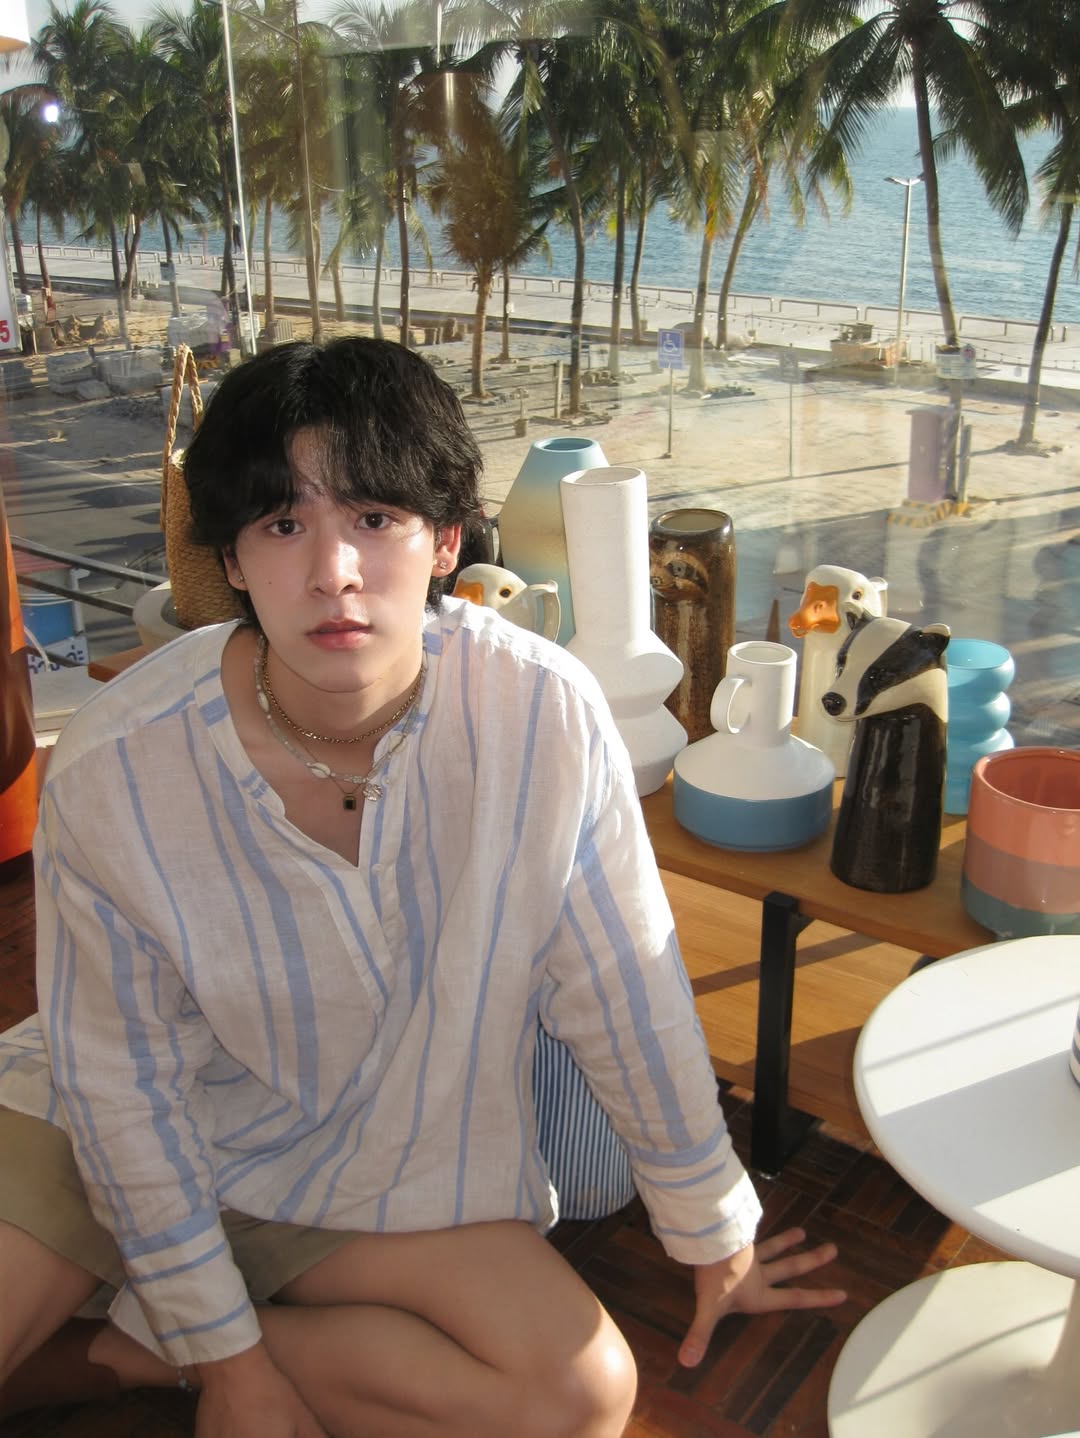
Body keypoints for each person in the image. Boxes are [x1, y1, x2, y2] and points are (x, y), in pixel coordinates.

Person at [0, 337, 844, 1437]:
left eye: (374, 517)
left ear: (446, 539)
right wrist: (234, 1369)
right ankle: (183, 1335)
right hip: (100, 1126)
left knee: (580, 1395)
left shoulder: (538, 713)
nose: (333, 572)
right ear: (233, 558)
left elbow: (622, 985)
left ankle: (126, 1351)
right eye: (283, 524)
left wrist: (713, 1227)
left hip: (373, 1154)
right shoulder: (121, 763)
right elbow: (119, 1091)